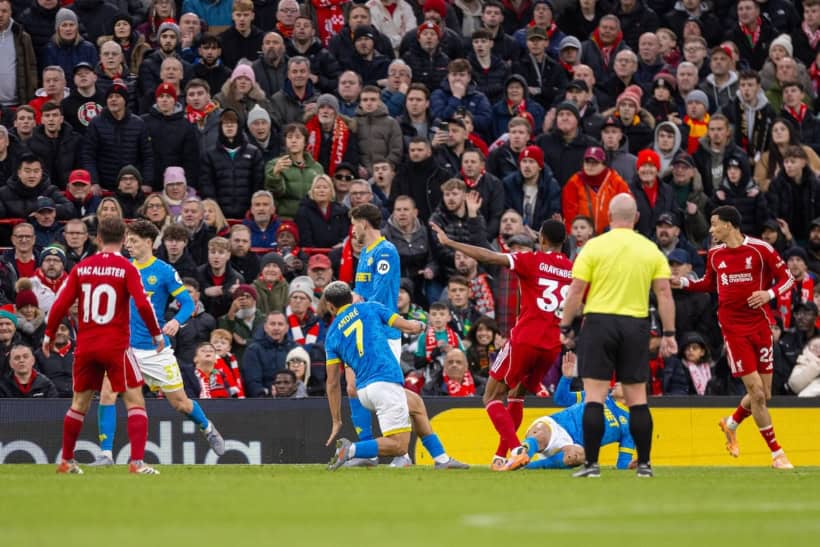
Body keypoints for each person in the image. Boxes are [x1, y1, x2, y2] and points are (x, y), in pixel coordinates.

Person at [431, 218, 572, 471]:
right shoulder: (574, 270)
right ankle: (499, 456)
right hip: (551, 345)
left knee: (491, 396)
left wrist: (450, 242)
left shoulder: (531, 259)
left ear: (542, 240)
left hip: (525, 339)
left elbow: (489, 256)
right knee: (517, 395)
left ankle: (518, 448)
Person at [88, 220, 225, 467]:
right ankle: (105, 455)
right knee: (108, 393)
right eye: (127, 240)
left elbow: (187, 303)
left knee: (180, 403)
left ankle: (207, 427)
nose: (128, 245)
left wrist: (177, 323)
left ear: (148, 242)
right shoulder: (120, 267)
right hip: (123, 347)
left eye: (134, 241)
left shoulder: (163, 271)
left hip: (154, 351)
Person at [559, 193, 677, 478]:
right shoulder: (650, 250)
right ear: (636, 217)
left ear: (608, 217)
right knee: (637, 397)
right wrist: (670, 333)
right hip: (635, 324)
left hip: (599, 323)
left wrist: (564, 326)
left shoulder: (594, 247)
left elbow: (576, 290)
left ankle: (591, 465)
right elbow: (664, 292)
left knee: (595, 397)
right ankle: (645, 465)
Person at [673, 205, 795, 469]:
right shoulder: (715, 254)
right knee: (757, 394)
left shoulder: (760, 250)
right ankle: (777, 454)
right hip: (733, 328)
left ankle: (731, 423)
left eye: (715, 223)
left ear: (729, 225)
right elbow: (708, 283)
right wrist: (682, 283)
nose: (711, 229)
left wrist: (769, 295)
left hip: (761, 325)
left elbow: (787, 279)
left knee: (765, 395)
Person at [43, 217, 163, 474]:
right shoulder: (127, 268)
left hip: (86, 346)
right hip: (116, 347)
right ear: (123, 240)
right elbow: (143, 304)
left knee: (79, 404)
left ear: (97, 239)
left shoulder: (82, 268)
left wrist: (48, 334)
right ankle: (137, 463)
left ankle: (66, 461)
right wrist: (157, 335)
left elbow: (60, 304)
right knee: (135, 401)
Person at [324, 281, 468, 470]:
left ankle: (442, 460)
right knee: (399, 446)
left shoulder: (331, 335)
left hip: (363, 391)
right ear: (350, 298)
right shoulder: (370, 308)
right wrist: (419, 325)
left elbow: (333, 383)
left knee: (415, 403)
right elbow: (408, 327)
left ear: (330, 306)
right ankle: (351, 450)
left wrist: (336, 420)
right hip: (385, 383)